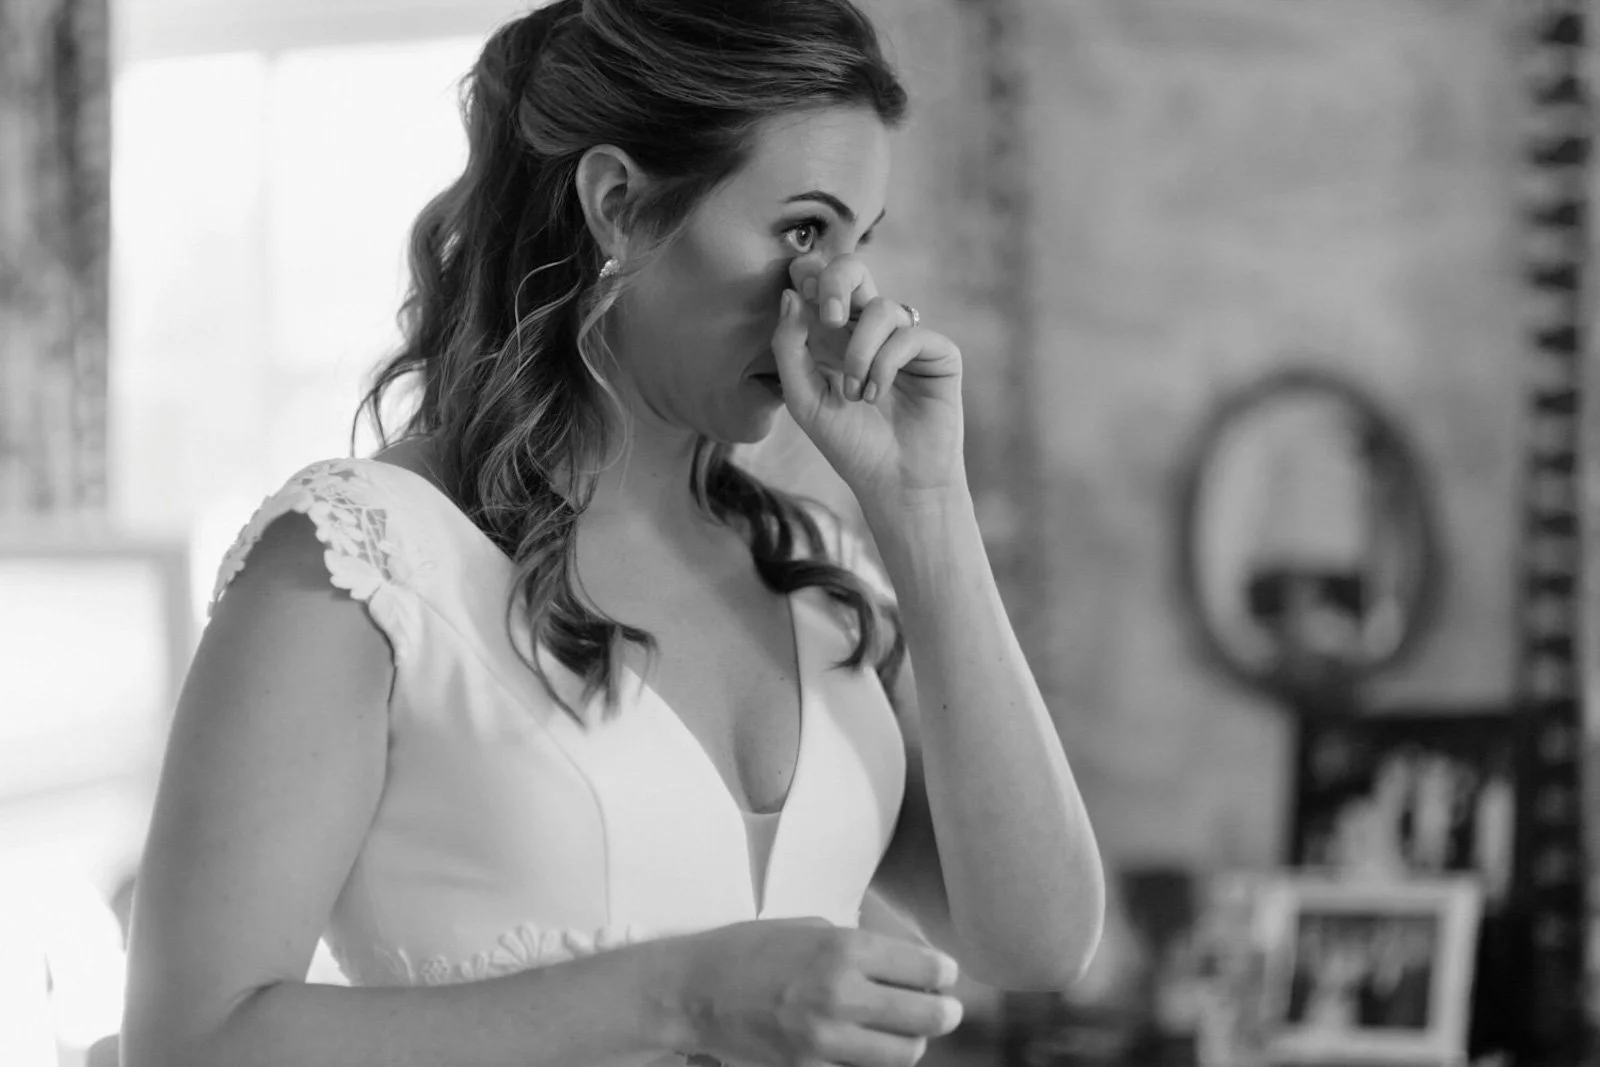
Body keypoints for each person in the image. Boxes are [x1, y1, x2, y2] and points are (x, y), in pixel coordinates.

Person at [121, 2, 1105, 1065]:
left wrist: (924, 505)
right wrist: (681, 996)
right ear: (619, 206)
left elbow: (1038, 939)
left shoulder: (818, 574)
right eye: (802, 231)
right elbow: (189, 1041)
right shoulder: (357, 564)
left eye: (860, 239)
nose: (841, 295)